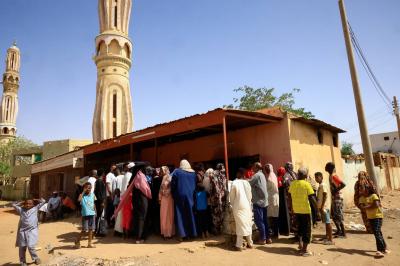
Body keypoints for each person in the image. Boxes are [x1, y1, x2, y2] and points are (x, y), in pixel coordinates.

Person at [288, 168, 317, 257]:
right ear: (305, 176)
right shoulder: (307, 184)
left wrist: (291, 207)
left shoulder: (292, 184)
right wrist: (317, 210)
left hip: (296, 210)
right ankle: (304, 250)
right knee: (307, 230)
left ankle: (300, 245)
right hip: (305, 211)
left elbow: (289, 196)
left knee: (299, 228)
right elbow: (312, 199)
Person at [13, 198, 46, 266]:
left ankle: (35, 258)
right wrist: (21, 202)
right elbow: (13, 204)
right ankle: (22, 261)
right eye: (26, 204)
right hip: (22, 231)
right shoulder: (21, 210)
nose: (28, 205)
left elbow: (43, 201)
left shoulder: (35, 209)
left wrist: (36, 199)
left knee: (31, 246)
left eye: (30, 204)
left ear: (33, 205)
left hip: (32, 231)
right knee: (22, 247)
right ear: (24, 205)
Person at [359, 186, 390, 257]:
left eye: (363, 189)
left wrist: (366, 206)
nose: (362, 191)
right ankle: (384, 248)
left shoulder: (373, 195)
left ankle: (379, 250)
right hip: (370, 217)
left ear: (368, 190)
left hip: (378, 216)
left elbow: (376, 205)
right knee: (378, 232)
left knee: (376, 232)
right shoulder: (361, 198)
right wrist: (370, 205)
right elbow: (361, 207)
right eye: (361, 189)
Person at [171, 159, 197, 240]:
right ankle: (191, 234)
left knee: (180, 214)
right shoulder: (193, 173)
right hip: (191, 196)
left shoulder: (177, 172)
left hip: (180, 195)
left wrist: (174, 193)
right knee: (190, 213)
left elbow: (173, 184)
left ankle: (182, 235)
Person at [230, 168, 253, 251]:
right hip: (247, 206)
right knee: (247, 224)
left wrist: (232, 204)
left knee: (240, 225)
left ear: (239, 174)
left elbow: (231, 196)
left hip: (238, 206)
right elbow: (250, 196)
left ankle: (238, 245)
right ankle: (250, 243)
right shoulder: (247, 183)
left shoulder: (234, 183)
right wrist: (249, 203)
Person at [249, 162, 271, 245]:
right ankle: (268, 238)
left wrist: (242, 180)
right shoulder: (262, 175)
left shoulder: (256, 175)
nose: (252, 169)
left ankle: (263, 238)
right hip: (264, 201)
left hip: (258, 201)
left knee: (259, 220)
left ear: (256, 167)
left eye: (253, 167)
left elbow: (249, 183)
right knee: (265, 220)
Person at [325, 162, 346, 238]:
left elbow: (343, 184)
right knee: (334, 215)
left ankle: (343, 233)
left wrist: (335, 190)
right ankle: (339, 230)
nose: (325, 168)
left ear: (330, 168)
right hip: (334, 198)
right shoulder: (330, 176)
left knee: (338, 215)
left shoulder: (334, 176)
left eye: (327, 167)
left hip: (338, 198)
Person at [132, 169, 152, 243]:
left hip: (136, 201)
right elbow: (146, 190)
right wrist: (150, 196)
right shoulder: (141, 178)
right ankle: (141, 237)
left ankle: (137, 236)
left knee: (137, 218)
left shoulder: (134, 179)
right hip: (143, 201)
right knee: (143, 218)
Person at [75, 182, 96, 249]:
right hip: (85, 215)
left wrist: (95, 212)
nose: (88, 189)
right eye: (86, 188)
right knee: (84, 230)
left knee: (91, 229)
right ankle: (77, 241)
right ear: (84, 188)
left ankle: (89, 243)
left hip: (92, 214)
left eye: (89, 187)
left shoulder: (93, 195)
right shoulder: (82, 195)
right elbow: (79, 200)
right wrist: (83, 192)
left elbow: (94, 203)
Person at [115, 162, 134, 236]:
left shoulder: (126, 175)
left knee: (123, 214)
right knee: (127, 215)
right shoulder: (129, 175)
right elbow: (128, 188)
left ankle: (121, 230)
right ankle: (126, 231)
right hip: (127, 198)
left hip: (124, 197)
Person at [315, 172, 333, 245]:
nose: (316, 179)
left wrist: (322, 207)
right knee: (326, 222)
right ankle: (327, 236)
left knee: (328, 222)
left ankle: (331, 239)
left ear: (321, 177)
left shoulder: (323, 185)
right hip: (322, 207)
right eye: (316, 177)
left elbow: (325, 195)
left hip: (325, 207)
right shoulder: (320, 185)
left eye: (318, 177)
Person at [210, 163, 227, 235]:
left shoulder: (213, 175)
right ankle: (220, 229)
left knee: (215, 214)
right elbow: (224, 187)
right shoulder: (223, 176)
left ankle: (217, 230)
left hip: (216, 198)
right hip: (221, 197)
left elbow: (213, 188)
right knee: (221, 213)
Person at [159, 166, 175, 238]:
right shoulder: (163, 177)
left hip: (169, 198)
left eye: (162, 171)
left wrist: (165, 193)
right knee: (163, 215)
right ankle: (165, 232)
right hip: (164, 199)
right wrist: (160, 198)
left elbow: (171, 187)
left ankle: (169, 232)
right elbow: (161, 189)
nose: (161, 172)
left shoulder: (169, 177)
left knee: (169, 215)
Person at [265, 163, 279, 238]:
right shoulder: (273, 175)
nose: (266, 170)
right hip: (273, 197)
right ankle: (276, 232)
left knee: (273, 216)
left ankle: (275, 233)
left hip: (272, 198)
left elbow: (267, 188)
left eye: (267, 169)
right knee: (274, 216)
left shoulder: (270, 177)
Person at [195, 163, 209, 238]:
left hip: (198, 206)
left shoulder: (196, 193)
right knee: (205, 218)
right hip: (204, 206)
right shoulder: (205, 192)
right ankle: (206, 232)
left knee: (199, 219)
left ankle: (202, 234)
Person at [283, 162, 298, 236]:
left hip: (291, 198)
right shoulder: (296, 174)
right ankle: (297, 234)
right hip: (297, 197)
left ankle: (296, 234)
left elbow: (287, 187)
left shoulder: (286, 175)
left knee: (293, 215)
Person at [277, 167, 290, 236]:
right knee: (286, 214)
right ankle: (287, 230)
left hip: (281, 198)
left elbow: (279, 187)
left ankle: (284, 231)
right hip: (285, 198)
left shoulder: (280, 178)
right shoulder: (286, 177)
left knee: (283, 214)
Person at [94, 169, 106, 236]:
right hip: (99, 202)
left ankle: (98, 230)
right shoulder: (100, 181)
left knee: (99, 216)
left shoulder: (98, 181)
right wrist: (102, 202)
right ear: (103, 174)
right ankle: (98, 231)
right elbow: (100, 193)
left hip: (98, 201)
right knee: (100, 216)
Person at [150, 167, 162, 235]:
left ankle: (156, 230)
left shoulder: (152, 180)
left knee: (155, 216)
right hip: (159, 199)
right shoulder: (160, 179)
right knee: (158, 215)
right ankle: (159, 230)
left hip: (154, 199)